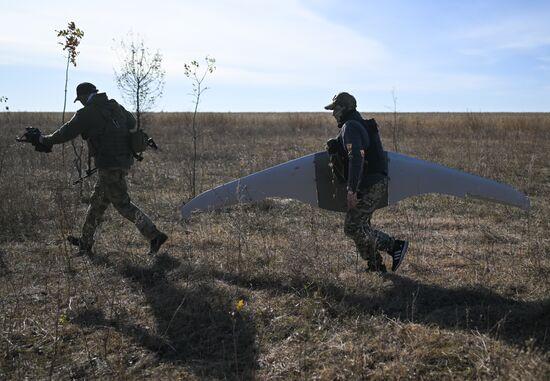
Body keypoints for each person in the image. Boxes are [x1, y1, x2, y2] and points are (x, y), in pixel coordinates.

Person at [39, 82, 167, 255]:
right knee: (97, 203)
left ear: (84, 96)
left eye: (80, 99)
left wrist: (44, 140)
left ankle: (154, 235)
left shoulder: (86, 113)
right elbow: (131, 122)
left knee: (122, 204)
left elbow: (66, 132)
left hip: (109, 164)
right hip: (122, 161)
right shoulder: (115, 106)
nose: (81, 103)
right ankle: (85, 242)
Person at [324, 92, 408, 272]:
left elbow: (356, 158)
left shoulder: (351, 127)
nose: (333, 114)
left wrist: (351, 190)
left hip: (370, 184)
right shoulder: (356, 124)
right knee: (361, 226)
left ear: (345, 108)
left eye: (335, 109)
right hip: (371, 182)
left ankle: (395, 246)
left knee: (353, 227)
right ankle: (375, 266)